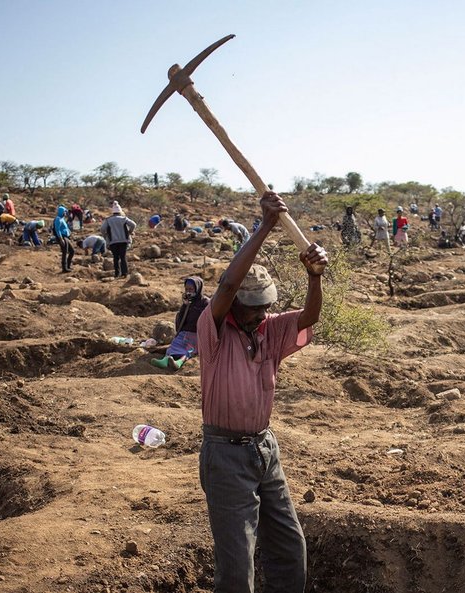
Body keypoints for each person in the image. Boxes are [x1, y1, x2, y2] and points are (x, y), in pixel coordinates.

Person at [197, 191, 327, 592]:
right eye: (252, 307)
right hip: (226, 455)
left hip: (264, 450)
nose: (260, 313)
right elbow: (229, 282)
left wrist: (313, 277)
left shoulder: (269, 330)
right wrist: (265, 226)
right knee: (237, 567)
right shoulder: (214, 331)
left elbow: (310, 316)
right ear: (232, 305)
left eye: (264, 306)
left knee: (290, 548)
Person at [152, 277, 209, 370]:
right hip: (184, 333)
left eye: (191, 289)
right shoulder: (188, 302)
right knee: (174, 345)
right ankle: (165, 360)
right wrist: (185, 305)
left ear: (198, 288)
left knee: (188, 351)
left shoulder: (205, 303)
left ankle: (178, 363)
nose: (188, 292)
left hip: (197, 335)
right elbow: (181, 318)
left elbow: (208, 320)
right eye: (186, 289)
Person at [100, 201, 136, 278]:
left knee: (116, 258)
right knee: (123, 257)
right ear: (120, 211)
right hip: (124, 241)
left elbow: (102, 229)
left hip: (113, 242)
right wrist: (130, 232)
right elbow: (133, 224)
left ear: (113, 212)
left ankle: (117, 274)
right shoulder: (124, 218)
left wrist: (105, 236)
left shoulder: (108, 220)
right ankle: (125, 273)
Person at [53, 205, 74, 273]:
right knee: (65, 252)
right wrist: (61, 239)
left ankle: (68, 266)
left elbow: (65, 228)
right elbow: (57, 229)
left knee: (72, 251)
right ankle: (64, 268)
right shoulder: (58, 219)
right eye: (65, 212)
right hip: (62, 237)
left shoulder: (62, 219)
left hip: (66, 237)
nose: (65, 213)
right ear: (61, 212)